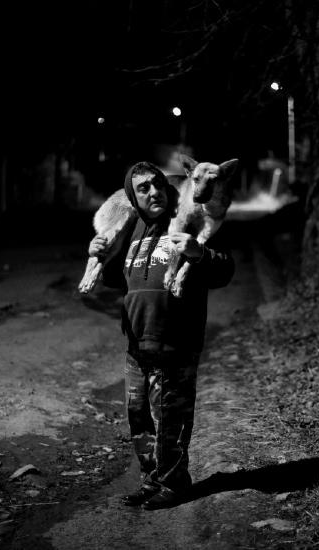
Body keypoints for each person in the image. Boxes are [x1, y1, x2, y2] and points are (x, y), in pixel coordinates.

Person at [88, 161, 234, 510]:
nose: (154, 192)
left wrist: (199, 254)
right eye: (143, 188)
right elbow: (114, 278)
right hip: (137, 344)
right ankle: (152, 480)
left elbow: (224, 269)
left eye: (157, 184)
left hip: (176, 342)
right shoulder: (132, 228)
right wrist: (99, 253)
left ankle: (174, 483)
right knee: (140, 419)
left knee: (170, 420)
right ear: (133, 198)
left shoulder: (192, 219)